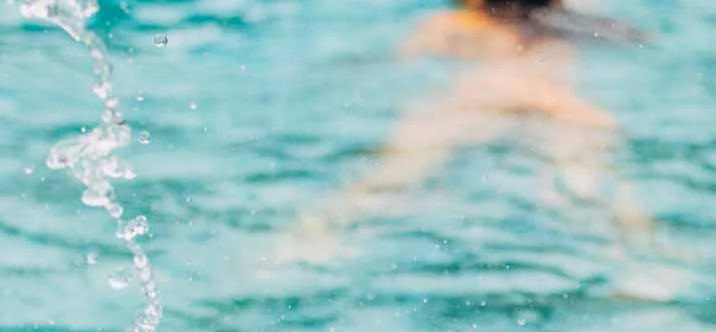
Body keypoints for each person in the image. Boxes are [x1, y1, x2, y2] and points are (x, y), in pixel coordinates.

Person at [279, 0, 652, 265]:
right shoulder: (570, 23)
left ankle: (303, 245)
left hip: (479, 97)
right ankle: (648, 261)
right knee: (597, 188)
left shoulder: (451, 25)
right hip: (553, 102)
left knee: (386, 182)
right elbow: (631, 37)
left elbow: (394, 61)